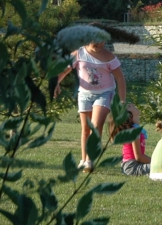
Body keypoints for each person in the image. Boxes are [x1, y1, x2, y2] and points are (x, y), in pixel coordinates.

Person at [54, 39, 126, 173]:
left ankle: (90, 160)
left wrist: (122, 101)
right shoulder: (78, 54)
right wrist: (56, 83)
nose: (99, 44)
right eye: (95, 41)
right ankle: (83, 160)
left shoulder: (109, 56)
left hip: (105, 93)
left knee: (95, 125)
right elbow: (64, 71)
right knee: (85, 129)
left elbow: (120, 79)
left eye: (102, 41)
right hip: (84, 94)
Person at [116, 102, 151, 177]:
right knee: (161, 167)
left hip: (132, 164)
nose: (131, 104)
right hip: (132, 166)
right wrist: (156, 162)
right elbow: (139, 157)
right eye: (129, 106)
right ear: (129, 115)